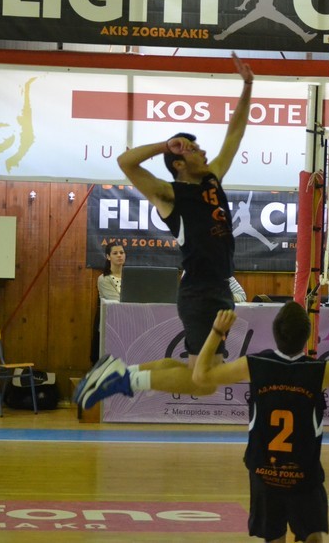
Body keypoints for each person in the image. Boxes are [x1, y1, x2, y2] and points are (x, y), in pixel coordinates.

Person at [75, 52, 255, 409]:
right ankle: (122, 378)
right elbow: (126, 162)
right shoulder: (170, 195)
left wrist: (248, 86)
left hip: (216, 288)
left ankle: (118, 374)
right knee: (203, 382)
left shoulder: (212, 178)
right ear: (179, 162)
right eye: (194, 150)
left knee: (197, 373)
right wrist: (164, 145)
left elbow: (234, 133)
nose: (204, 152)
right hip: (200, 292)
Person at [193, 302, 329, 543]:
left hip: (264, 471)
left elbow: (200, 376)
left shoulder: (255, 365)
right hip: (303, 471)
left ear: (275, 333)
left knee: (274, 537)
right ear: (307, 337)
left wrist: (217, 332)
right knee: (313, 537)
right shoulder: (321, 370)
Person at [91, 242, 126, 364]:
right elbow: (117, 302)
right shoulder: (104, 279)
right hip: (110, 324)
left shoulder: (132, 277)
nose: (119, 255)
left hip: (128, 322)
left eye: (121, 252)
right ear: (108, 257)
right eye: (115, 253)